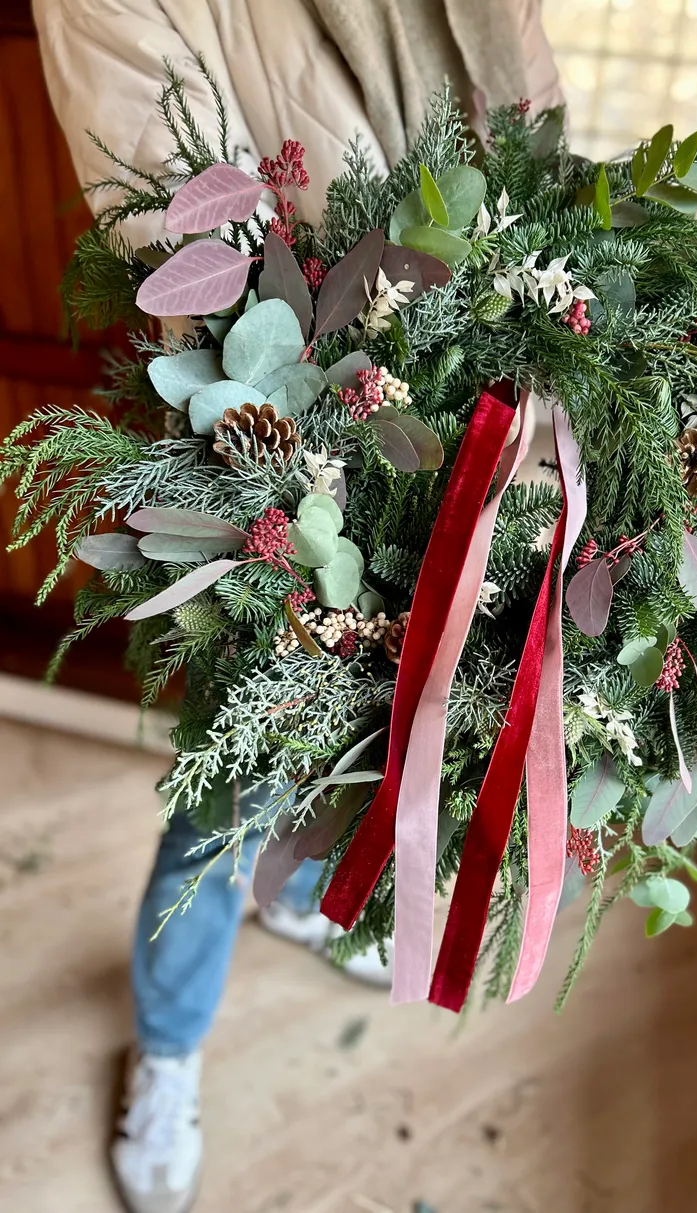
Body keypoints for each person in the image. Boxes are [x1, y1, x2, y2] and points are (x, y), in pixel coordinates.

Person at [34, 3, 562, 1210]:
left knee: (406, 723)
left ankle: (308, 894)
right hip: (295, 435)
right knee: (234, 776)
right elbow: (178, 235)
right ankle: (168, 1047)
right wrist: (349, 456)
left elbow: (533, 119)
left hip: (486, 413)